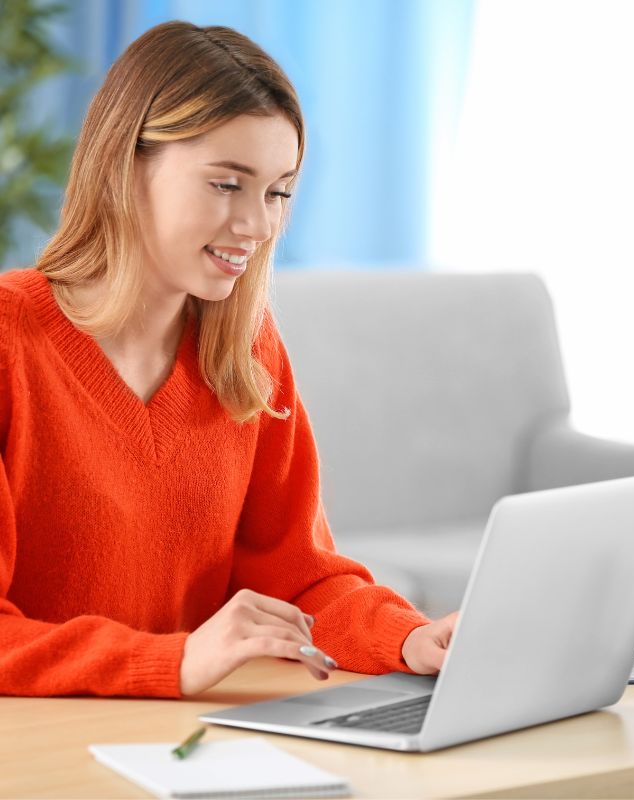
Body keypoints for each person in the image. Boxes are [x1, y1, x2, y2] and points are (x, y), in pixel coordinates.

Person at [0, 21, 457, 698]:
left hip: (185, 743)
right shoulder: (12, 342)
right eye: (226, 185)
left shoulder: (245, 351)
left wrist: (409, 637)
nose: (259, 225)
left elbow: (300, 579)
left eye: (277, 192)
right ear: (126, 166)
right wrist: (175, 661)